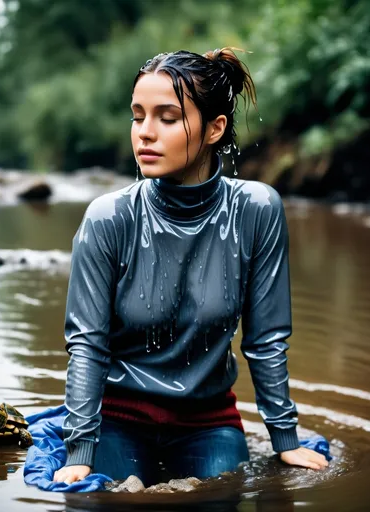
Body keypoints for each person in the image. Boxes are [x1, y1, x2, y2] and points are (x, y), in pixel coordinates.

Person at [53, 48, 329, 486]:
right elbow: (87, 344)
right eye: (137, 115)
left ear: (215, 128)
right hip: (119, 416)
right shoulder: (109, 218)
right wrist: (80, 451)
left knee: (222, 498)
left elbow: (265, 338)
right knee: (111, 499)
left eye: (167, 117)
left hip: (207, 420)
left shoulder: (256, 209)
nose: (144, 133)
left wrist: (285, 438)